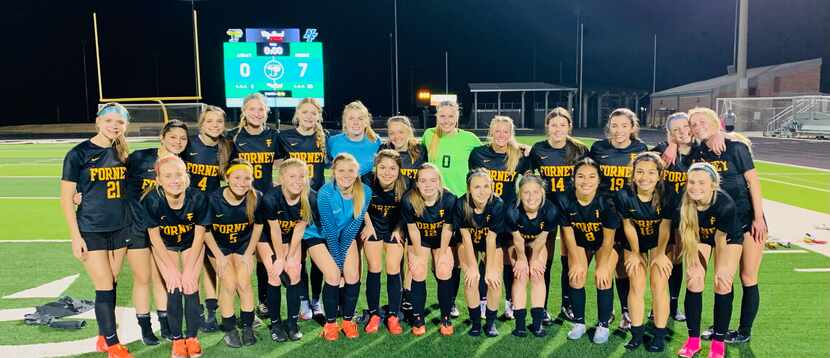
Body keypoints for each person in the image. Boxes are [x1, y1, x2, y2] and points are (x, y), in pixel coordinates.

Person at [60, 102, 133, 357]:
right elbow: (66, 198)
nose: (115, 126)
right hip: (91, 228)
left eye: (120, 123)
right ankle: (113, 344)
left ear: (125, 126)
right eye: (110, 121)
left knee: (111, 282)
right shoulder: (78, 154)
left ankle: (104, 336)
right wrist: (75, 237)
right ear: (98, 122)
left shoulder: (123, 153)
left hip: (121, 227)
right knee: (103, 284)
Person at [688, 107, 766, 344]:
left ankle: (744, 330)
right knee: (723, 277)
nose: (698, 126)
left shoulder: (736, 148)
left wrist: (758, 218)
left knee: (747, 276)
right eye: (694, 124)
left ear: (716, 122)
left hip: (745, 220)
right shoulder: (698, 152)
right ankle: (721, 326)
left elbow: (753, 181)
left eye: (703, 121)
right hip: (713, 223)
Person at [125, 120, 189, 344]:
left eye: (183, 138)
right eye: (173, 137)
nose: (178, 142)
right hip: (138, 226)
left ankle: (165, 324)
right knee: (142, 278)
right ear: (162, 137)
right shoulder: (140, 157)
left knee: (162, 278)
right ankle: (145, 328)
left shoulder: (181, 164)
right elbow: (114, 181)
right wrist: (81, 194)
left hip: (163, 229)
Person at [141, 154, 210, 358]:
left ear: (186, 176)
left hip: (191, 243)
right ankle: (177, 340)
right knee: (174, 286)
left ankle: (192, 337)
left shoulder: (198, 197)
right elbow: (155, 237)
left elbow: (199, 236)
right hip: (165, 245)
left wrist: (188, 270)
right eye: (168, 176)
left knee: (190, 285)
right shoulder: (152, 199)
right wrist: (171, 271)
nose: (175, 180)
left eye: (179, 174)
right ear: (159, 180)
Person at [674, 163, 743, 358]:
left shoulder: (725, 204)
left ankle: (718, 342)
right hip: (700, 237)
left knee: (722, 282)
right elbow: (688, 235)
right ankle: (693, 340)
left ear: (713, 184)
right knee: (694, 279)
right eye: (692, 182)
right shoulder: (685, 202)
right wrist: (694, 264)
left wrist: (720, 269)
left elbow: (720, 240)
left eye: (701, 183)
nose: (695, 187)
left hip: (728, 238)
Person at [589, 108, 648, 330]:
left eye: (624, 125)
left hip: (629, 216)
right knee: (604, 264)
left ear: (632, 127)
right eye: (614, 125)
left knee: (625, 267)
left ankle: (626, 311)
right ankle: (607, 311)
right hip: (603, 216)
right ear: (609, 127)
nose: (619, 130)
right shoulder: (598, 148)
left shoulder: (640, 148)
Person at [529, 107, 588, 324]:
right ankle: (542, 307)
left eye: (563, 125)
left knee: (569, 259)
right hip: (547, 211)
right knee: (545, 258)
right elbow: (529, 175)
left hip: (571, 211)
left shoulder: (580, 150)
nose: (558, 129)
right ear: (547, 127)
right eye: (553, 125)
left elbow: (589, 178)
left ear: (569, 127)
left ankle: (567, 304)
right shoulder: (538, 149)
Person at [468, 115, 530, 320]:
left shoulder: (518, 156)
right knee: (488, 258)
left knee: (509, 260)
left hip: (510, 215)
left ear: (511, 133)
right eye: (497, 130)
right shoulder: (478, 154)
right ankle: (484, 301)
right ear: (491, 132)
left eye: (506, 131)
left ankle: (510, 303)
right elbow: (474, 183)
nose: (501, 135)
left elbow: (530, 180)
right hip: (486, 215)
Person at [228, 93, 283, 320]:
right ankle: (241, 301)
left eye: (261, 109)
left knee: (262, 253)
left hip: (266, 201)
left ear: (266, 112)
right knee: (241, 252)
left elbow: (280, 167)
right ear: (244, 111)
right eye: (252, 109)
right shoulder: (234, 137)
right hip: (242, 201)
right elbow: (228, 171)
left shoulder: (274, 136)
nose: (257, 113)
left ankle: (263, 300)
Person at [615, 152, 674, 352]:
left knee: (659, 285)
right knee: (636, 285)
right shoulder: (623, 194)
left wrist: (659, 254)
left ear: (659, 175)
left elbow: (665, 227)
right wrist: (634, 252)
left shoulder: (667, 193)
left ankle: (659, 334)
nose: (644, 177)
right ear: (632, 174)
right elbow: (628, 225)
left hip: (660, 243)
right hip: (634, 243)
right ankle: (637, 334)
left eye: (651, 172)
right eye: (639, 171)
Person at [559, 158, 621, 344]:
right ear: (573, 178)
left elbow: (609, 239)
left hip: (605, 244)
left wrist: (602, 265)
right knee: (576, 275)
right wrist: (577, 262)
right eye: (581, 176)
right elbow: (568, 235)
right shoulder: (565, 199)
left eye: (591, 176)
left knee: (602, 277)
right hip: (580, 242)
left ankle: (603, 325)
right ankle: (579, 323)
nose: (586, 181)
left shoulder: (607, 202)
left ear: (599, 179)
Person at [203, 159, 264, 348]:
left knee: (244, 283)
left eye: (247, 178)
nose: (242, 182)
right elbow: (205, 231)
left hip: (243, 245)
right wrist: (219, 256)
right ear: (227, 177)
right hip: (219, 247)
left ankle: (247, 325)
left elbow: (258, 226)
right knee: (229, 283)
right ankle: (229, 327)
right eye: (237, 177)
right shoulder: (212, 199)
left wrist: (249, 252)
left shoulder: (256, 197)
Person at [278, 98, 329, 319]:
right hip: (293, 205)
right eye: (305, 112)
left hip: (316, 205)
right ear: (297, 114)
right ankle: (302, 300)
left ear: (318, 116)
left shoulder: (324, 138)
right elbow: (276, 168)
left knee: (318, 255)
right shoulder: (285, 137)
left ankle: (316, 299)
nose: (309, 116)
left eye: (313, 113)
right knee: (298, 257)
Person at [184, 105, 232, 332]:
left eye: (219, 122)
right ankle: (190, 311)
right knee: (192, 263)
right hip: (185, 211)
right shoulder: (189, 144)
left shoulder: (226, 147)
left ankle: (212, 310)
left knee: (212, 263)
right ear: (201, 124)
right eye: (210, 121)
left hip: (212, 212)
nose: (215, 125)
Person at [259, 158, 318, 342]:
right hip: (267, 237)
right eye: (292, 176)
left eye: (302, 176)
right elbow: (274, 231)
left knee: (294, 272)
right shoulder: (270, 198)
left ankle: (292, 323)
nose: (298, 180)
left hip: (291, 236)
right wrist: (279, 259)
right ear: (281, 178)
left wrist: (291, 256)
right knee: (274, 274)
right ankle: (275, 323)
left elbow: (299, 228)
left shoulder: (310, 197)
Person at [316, 153, 373, 341]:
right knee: (333, 276)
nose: (346, 174)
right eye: (341, 170)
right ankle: (330, 323)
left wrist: (343, 268)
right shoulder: (325, 193)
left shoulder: (365, 191)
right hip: (321, 236)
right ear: (333, 171)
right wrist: (338, 268)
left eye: (351, 170)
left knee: (353, 275)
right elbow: (330, 233)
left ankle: (348, 321)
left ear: (357, 173)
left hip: (346, 234)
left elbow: (352, 228)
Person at [401, 163, 457, 336]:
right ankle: (418, 319)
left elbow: (448, 228)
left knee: (443, 269)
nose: (428, 185)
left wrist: (440, 253)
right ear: (417, 183)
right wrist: (418, 255)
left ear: (439, 182)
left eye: (433, 180)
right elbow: (412, 229)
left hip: (442, 239)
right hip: (420, 239)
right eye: (423, 180)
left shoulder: (449, 199)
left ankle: (445, 317)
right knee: (418, 271)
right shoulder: (409, 200)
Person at [651, 112, 694, 322]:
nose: (682, 132)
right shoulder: (661, 150)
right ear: (669, 133)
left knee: (678, 261)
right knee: (660, 260)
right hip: (662, 216)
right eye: (675, 130)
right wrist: (669, 148)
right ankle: (656, 304)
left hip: (688, 217)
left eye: (685, 127)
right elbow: (647, 171)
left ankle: (674, 305)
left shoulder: (701, 151)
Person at [506, 174, 559, 337]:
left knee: (537, 274)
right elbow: (516, 239)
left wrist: (534, 260)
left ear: (542, 193)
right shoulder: (511, 210)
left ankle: (537, 324)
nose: (531, 197)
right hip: (516, 243)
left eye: (535, 192)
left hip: (537, 242)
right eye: (526, 192)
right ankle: (520, 325)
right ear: (519, 194)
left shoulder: (550, 209)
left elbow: (543, 238)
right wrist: (521, 260)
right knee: (520, 275)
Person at [455, 169, 505, 337]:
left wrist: (490, 269)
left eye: (486, 186)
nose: (482, 191)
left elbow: (491, 239)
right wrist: (472, 267)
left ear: (492, 187)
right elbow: (466, 237)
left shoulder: (497, 204)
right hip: (468, 241)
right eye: (477, 187)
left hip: (490, 241)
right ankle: (475, 323)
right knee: (471, 279)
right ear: (469, 189)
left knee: (494, 281)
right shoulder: (461, 204)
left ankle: (490, 323)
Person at [364, 149, 410, 335]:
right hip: (373, 226)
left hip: (395, 227)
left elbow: (406, 212)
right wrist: (367, 225)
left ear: (399, 169)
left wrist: (399, 229)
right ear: (376, 167)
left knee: (393, 268)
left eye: (392, 168)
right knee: (374, 268)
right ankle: (374, 314)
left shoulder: (406, 184)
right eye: (382, 167)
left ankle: (393, 314)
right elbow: (360, 204)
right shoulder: (367, 180)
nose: (387, 172)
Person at [327, 100, 382, 182]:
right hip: (339, 192)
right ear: (345, 122)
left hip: (367, 193)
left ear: (366, 122)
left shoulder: (376, 142)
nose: (356, 122)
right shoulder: (333, 142)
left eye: (360, 118)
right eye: (351, 118)